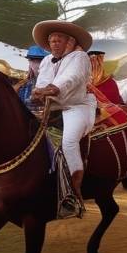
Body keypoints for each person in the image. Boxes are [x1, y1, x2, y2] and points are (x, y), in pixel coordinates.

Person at [30, 20, 96, 219]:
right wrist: (39, 92)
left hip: (76, 106)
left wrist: (54, 89)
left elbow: (73, 77)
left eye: (59, 40)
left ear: (70, 41)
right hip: (51, 109)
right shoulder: (46, 60)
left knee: (68, 142)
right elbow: (41, 82)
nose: (54, 44)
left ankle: (74, 193)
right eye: (51, 41)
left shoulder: (80, 56)